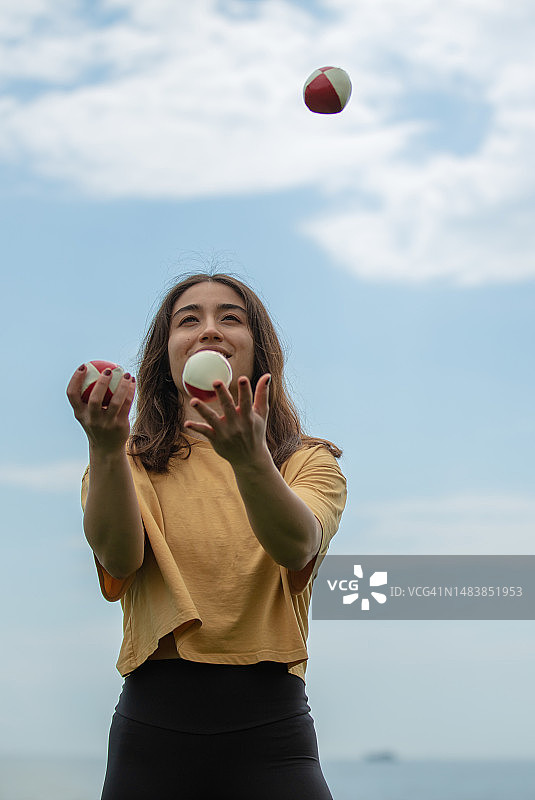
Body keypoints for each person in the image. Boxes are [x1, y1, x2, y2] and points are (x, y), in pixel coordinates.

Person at [67, 272, 347, 800]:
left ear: (257, 350)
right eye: (188, 320)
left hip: (273, 731)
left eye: (231, 318)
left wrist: (250, 460)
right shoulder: (127, 460)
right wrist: (105, 447)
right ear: (165, 354)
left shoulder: (306, 461)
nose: (209, 330)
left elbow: (298, 544)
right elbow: (119, 558)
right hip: (152, 731)